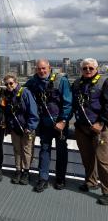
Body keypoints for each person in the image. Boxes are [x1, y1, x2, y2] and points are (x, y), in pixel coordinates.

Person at [25, 59, 72, 192]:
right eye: (39, 69)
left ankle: (60, 178)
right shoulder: (34, 82)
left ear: (49, 67)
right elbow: (21, 90)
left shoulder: (61, 81)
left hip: (60, 123)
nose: (42, 71)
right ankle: (43, 178)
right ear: (36, 69)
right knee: (44, 150)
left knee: (61, 151)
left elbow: (68, 102)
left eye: (44, 68)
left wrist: (63, 121)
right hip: (45, 123)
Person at [72, 58, 108, 205]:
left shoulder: (104, 82)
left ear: (96, 69)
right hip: (81, 128)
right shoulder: (77, 84)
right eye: (84, 68)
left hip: (99, 129)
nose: (87, 71)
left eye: (90, 68)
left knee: (103, 161)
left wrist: (100, 122)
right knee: (87, 158)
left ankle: (106, 191)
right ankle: (91, 182)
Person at [3, 74, 39, 185]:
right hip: (15, 128)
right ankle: (18, 170)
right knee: (17, 150)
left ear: (16, 82)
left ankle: (26, 172)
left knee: (27, 151)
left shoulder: (25, 93)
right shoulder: (8, 95)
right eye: (6, 84)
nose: (9, 86)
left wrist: (30, 127)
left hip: (26, 128)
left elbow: (33, 111)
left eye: (11, 83)